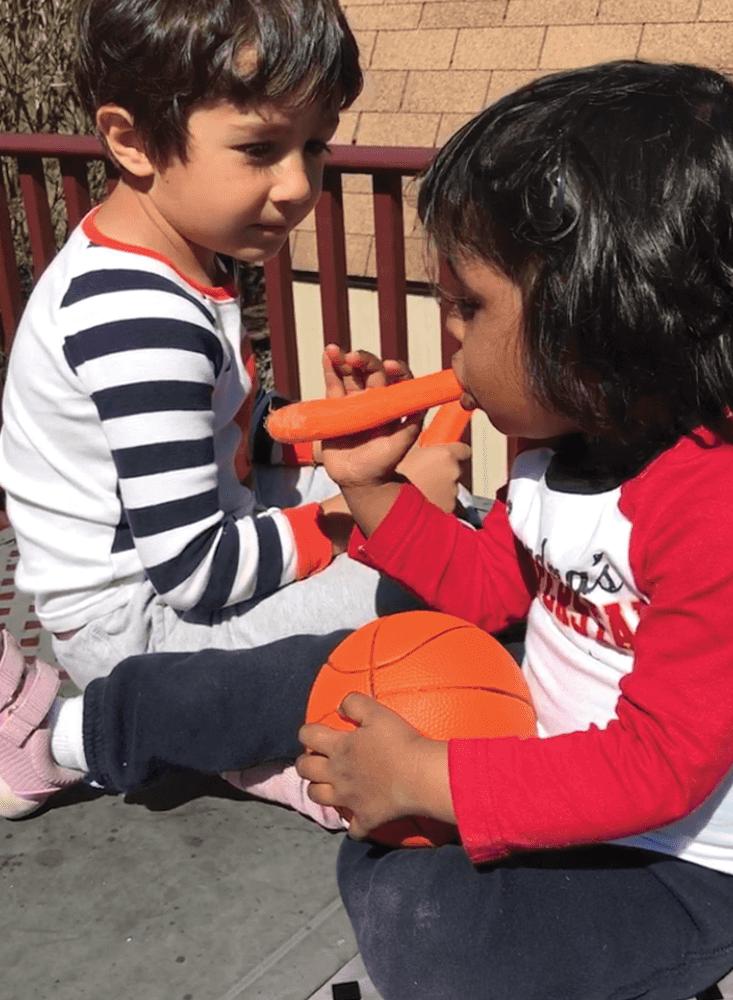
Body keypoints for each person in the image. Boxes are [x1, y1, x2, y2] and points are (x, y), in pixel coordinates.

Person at [289, 61, 733, 998]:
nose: (448, 336)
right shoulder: (551, 444)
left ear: (598, 319)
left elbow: (664, 765)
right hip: (558, 776)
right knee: (372, 804)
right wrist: (375, 492)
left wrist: (427, 778)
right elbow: (494, 588)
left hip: (684, 860)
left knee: (434, 926)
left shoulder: (711, 504)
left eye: (471, 306)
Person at [0, 0, 465, 820]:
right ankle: (191, 740)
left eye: (314, 146)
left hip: (189, 561)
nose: (299, 185)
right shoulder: (139, 319)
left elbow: (225, 421)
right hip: (140, 634)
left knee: (455, 533)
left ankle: (253, 741)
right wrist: (373, 502)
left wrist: (338, 443)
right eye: (259, 149)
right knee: (425, 578)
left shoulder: (167, 261)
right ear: (131, 139)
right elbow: (192, 570)